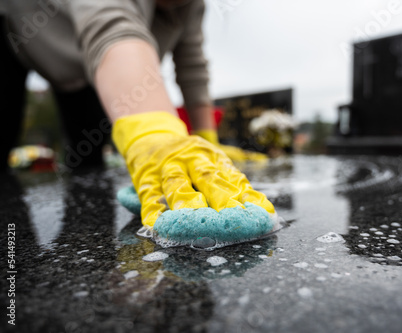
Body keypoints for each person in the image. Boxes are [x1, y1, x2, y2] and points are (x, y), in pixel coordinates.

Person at [1, 0, 275, 228]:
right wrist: (155, 134)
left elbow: (192, 64)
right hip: (19, 35)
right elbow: (111, 25)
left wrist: (207, 139)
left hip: (89, 72)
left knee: (88, 158)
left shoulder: (191, 6)